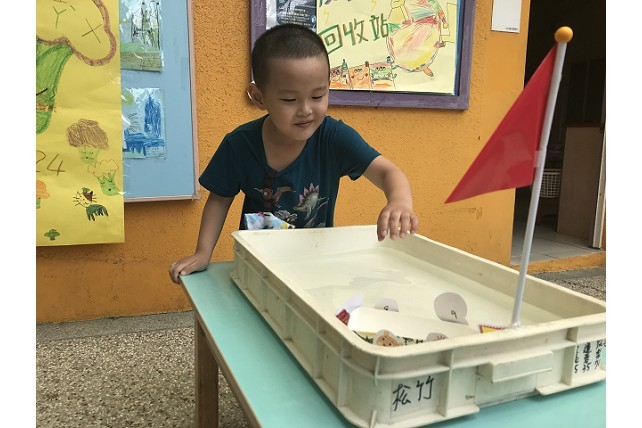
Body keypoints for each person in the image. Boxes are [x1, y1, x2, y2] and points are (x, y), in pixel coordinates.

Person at [169, 23, 419, 284]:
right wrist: (203, 252)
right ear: (258, 97)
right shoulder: (239, 144)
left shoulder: (333, 138)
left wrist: (399, 202)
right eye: (290, 100)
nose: (306, 110)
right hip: (257, 268)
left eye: (318, 96)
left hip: (316, 269)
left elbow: (387, 172)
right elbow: (220, 199)